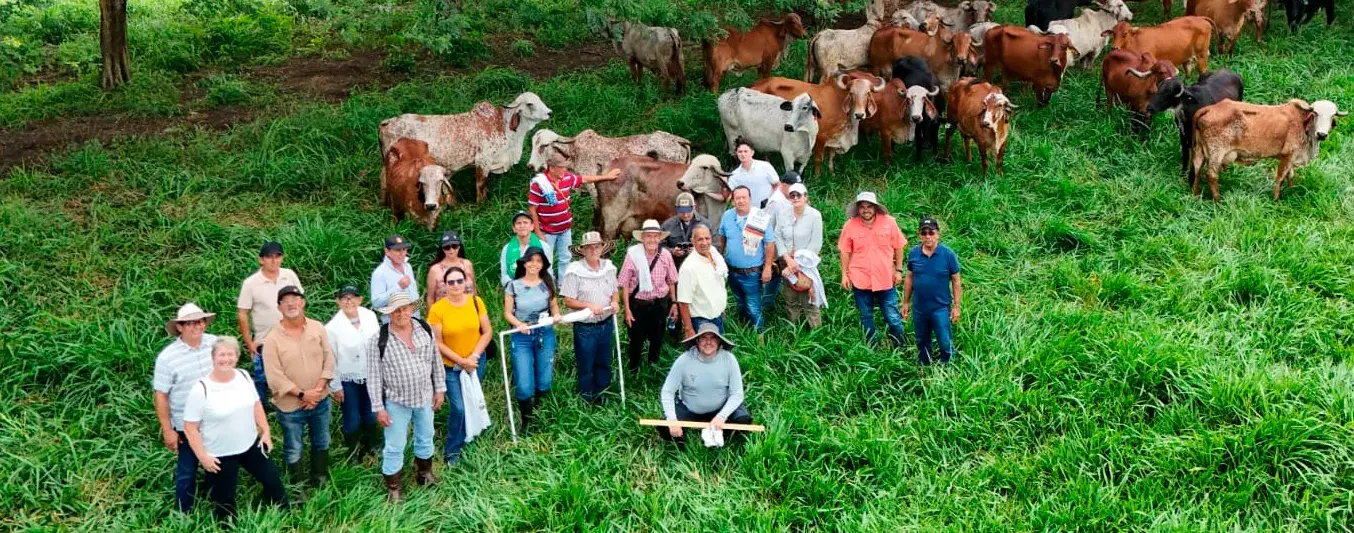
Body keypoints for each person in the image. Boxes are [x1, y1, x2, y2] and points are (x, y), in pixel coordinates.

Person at [182, 337, 288, 522]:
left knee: (273, 481)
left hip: (250, 444)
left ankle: (286, 518)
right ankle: (228, 526)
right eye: (221, 354)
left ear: (237, 357)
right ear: (213, 357)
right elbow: (190, 428)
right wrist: (203, 457)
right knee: (225, 500)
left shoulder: (244, 376)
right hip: (220, 453)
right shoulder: (201, 389)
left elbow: (256, 404)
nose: (226, 359)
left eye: (230, 354)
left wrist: (266, 431)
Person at [366, 293, 446, 502]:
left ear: (412, 308)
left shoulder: (424, 329)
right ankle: (394, 487)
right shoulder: (379, 339)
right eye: (396, 310)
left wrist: (440, 389)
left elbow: (436, 361)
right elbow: (373, 377)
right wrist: (378, 408)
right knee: (395, 444)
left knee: (426, 435)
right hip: (396, 402)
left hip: (425, 397)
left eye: (405, 308)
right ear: (389, 313)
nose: (401, 313)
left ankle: (424, 475)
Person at [261, 285, 335, 496]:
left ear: (303, 302)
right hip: (291, 406)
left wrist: (317, 390)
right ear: (279, 307)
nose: (291, 304)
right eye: (285, 301)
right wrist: (302, 394)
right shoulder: (272, 338)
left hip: (320, 400)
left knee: (322, 440)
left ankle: (320, 477)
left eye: (295, 299)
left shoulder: (317, 327)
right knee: (294, 446)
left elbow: (328, 358)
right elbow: (274, 377)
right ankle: (298, 488)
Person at [152, 303, 219, 513]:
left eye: (200, 321)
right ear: (180, 327)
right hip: (186, 423)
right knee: (187, 470)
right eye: (190, 323)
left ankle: (216, 502)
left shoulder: (215, 343)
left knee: (217, 463)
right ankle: (184, 513)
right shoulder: (167, 357)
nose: (196, 326)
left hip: (215, 417)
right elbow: (161, 395)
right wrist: (168, 430)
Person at [426, 266, 492, 465]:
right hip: (451, 367)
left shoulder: (476, 302)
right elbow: (437, 342)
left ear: (466, 283)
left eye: (459, 281)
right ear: (445, 285)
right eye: (451, 282)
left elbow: (487, 332)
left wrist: (474, 356)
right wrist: (461, 361)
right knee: (459, 408)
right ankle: (452, 449)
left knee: (472, 401)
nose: (456, 285)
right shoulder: (438, 309)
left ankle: (471, 435)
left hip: (475, 363)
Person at [657, 324, 753, 448]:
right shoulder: (684, 360)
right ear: (697, 341)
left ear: (719, 342)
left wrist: (722, 416)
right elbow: (668, 390)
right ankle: (681, 442)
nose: (708, 342)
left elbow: (737, 394)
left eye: (713, 338)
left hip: (720, 408)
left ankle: (721, 437)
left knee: (743, 420)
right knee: (665, 427)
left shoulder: (729, 359)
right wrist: (672, 419)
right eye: (703, 338)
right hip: (690, 409)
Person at [528, 153, 620, 280]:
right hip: (547, 231)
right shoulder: (539, 184)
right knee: (545, 260)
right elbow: (532, 209)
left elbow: (584, 179)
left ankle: (563, 286)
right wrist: (538, 232)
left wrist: (606, 177)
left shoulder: (566, 178)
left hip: (565, 229)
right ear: (552, 168)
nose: (565, 170)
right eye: (562, 167)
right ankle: (549, 289)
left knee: (566, 258)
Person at [236, 241, 303, 409]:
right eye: (269, 257)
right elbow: (242, 313)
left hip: (291, 335)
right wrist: (248, 342)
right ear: (261, 260)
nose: (274, 261)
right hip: (264, 340)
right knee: (262, 378)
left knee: (291, 372)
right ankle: (262, 411)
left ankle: (288, 405)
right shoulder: (251, 283)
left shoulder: (289, 275)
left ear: (282, 258)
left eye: (277, 256)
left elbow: (300, 302)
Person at [837, 191, 908, 348]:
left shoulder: (889, 222)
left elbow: (899, 246)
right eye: (862, 207)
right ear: (857, 209)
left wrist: (898, 270)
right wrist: (844, 275)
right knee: (866, 316)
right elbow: (844, 251)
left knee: (893, 317)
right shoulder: (850, 225)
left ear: (875, 208)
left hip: (886, 279)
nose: (866, 210)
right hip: (860, 279)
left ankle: (900, 347)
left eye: (869, 206)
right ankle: (871, 349)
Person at [503, 247, 561, 433]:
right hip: (522, 337)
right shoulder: (513, 286)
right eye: (531, 260)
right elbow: (507, 314)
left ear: (542, 264)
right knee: (525, 384)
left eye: (538, 261)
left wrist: (557, 316)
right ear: (524, 262)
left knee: (544, 380)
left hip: (545, 333)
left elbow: (554, 306)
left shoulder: (547, 283)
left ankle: (539, 411)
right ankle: (526, 420)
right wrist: (519, 324)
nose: (534, 264)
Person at [560, 231, 620, 404]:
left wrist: (615, 303)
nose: (593, 250)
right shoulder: (574, 271)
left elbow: (615, 292)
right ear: (583, 250)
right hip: (585, 327)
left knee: (604, 361)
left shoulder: (609, 267)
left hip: (606, 323)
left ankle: (603, 396)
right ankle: (586, 399)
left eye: (597, 246)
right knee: (586, 363)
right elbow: (568, 301)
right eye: (589, 247)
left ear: (602, 248)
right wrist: (589, 305)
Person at [324, 283, 380, 460]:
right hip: (348, 379)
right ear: (338, 301)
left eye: (353, 297)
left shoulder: (369, 316)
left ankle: (372, 446)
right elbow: (330, 358)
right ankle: (353, 453)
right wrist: (336, 386)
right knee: (352, 416)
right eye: (344, 298)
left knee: (371, 413)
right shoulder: (332, 328)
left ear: (360, 299)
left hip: (371, 375)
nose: (349, 301)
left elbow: (378, 344)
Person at [619, 220, 680, 372]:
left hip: (660, 304)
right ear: (642, 238)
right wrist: (627, 310)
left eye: (655, 236)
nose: (652, 240)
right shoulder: (633, 255)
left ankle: (653, 366)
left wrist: (674, 303)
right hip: (638, 305)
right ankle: (633, 368)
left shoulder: (665, 255)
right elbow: (625, 284)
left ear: (659, 238)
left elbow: (671, 280)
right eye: (648, 236)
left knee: (657, 337)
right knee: (636, 338)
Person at [903, 216, 963, 365]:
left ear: (938, 234)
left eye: (931, 232)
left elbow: (956, 281)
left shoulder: (948, 254)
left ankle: (948, 367)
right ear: (919, 235)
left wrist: (956, 307)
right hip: (919, 308)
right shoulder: (913, 253)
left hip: (940, 307)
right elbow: (909, 278)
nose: (928, 236)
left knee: (944, 339)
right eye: (924, 233)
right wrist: (905, 302)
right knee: (922, 340)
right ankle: (925, 365)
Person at [716, 186, 776, 334]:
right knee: (739, 302)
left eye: (744, 197)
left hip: (752, 272)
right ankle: (743, 331)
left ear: (750, 199)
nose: (741, 201)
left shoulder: (760, 218)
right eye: (738, 198)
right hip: (732, 270)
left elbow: (769, 244)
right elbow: (722, 238)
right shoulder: (728, 216)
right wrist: (719, 258)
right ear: (733, 201)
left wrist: (768, 267)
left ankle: (759, 338)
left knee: (753, 307)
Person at [775, 182, 826, 328]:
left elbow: (816, 244)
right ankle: (794, 331)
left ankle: (816, 334)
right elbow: (777, 237)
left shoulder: (814, 215)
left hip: (806, 265)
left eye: (799, 195)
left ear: (805, 197)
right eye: (792, 195)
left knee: (810, 299)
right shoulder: (784, 214)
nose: (796, 198)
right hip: (786, 263)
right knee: (791, 300)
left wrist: (797, 264)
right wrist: (787, 259)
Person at [676, 224, 728, 338]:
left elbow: (716, 286)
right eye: (700, 239)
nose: (704, 242)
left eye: (707, 238)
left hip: (717, 316)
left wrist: (720, 308)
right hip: (701, 321)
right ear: (692, 241)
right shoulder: (689, 268)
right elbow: (683, 302)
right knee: (707, 354)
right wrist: (689, 329)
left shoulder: (714, 254)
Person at [371, 234, 420, 325]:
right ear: (387, 251)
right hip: (394, 325)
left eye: (404, 249)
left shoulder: (407, 266)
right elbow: (376, 303)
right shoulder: (380, 273)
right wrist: (398, 287)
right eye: (397, 250)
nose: (402, 253)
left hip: (415, 321)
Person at [501, 210, 552, 287]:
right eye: (518, 223)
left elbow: (548, 272)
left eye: (525, 222)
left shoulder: (544, 247)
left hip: (538, 288)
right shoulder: (507, 249)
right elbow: (504, 276)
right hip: (515, 289)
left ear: (532, 226)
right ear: (514, 228)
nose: (522, 226)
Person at [427, 230, 477, 306]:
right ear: (442, 249)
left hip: (468, 310)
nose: (451, 250)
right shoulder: (435, 270)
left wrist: (478, 310)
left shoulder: (467, 264)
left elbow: (474, 290)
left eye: (454, 246)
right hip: (444, 313)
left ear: (459, 246)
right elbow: (430, 298)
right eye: (447, 247)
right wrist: (431, 317)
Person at [661, 192, 709, 270]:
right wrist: (672, 251)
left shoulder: (705, 224)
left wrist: (699, 250)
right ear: (676, 208)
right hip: (676, 269)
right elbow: (659, 246)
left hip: (699, 269)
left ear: (694, 207)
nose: (685, 215)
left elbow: (715, 245)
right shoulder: (667, 225)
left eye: (688, 210)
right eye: (682, 211)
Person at [727, 142, 779, 208]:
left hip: (768, 209)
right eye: (740, 152)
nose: (743, 154)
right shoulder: (734, 175)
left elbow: (777, 185)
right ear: (736, 153)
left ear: (752, 152)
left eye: (746, 151)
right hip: (748, 213)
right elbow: (728, 196)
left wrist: (772, 201)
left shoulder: (765, 166)